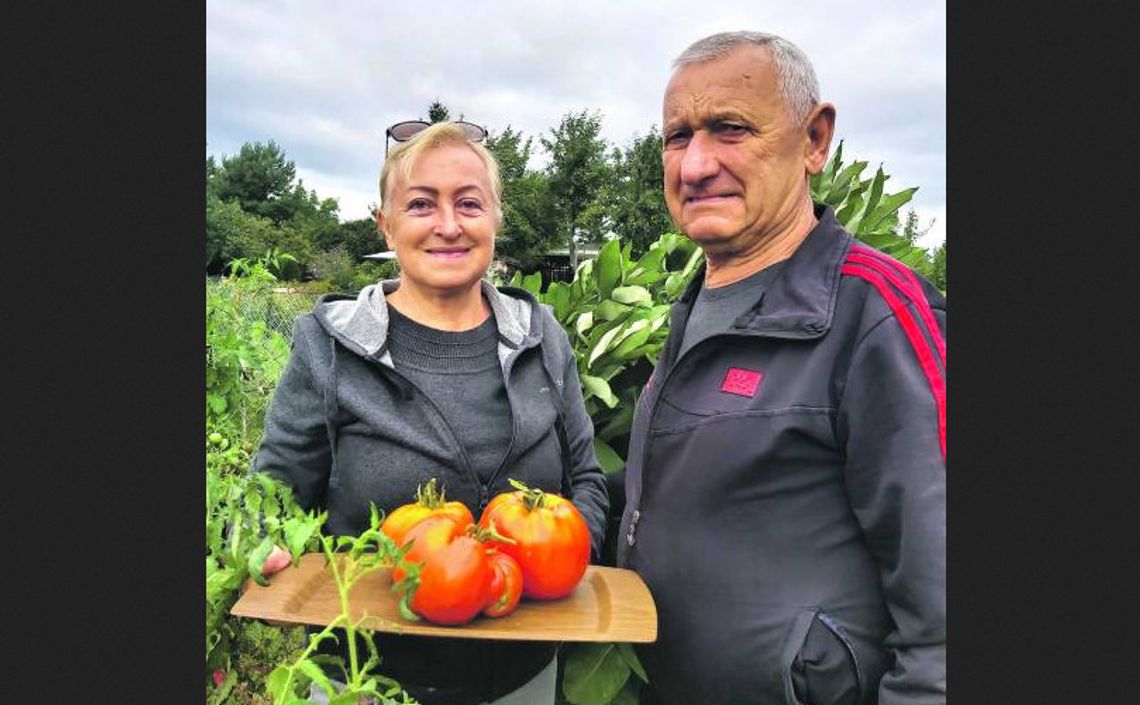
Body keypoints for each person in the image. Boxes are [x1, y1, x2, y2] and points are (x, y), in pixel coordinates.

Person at [614, 31, 946, 705]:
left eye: (730, 129)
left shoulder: (874, 314)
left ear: (815, 140)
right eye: (678, 137)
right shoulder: (696, 308)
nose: (696, 164)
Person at [253, 121, 609, 705]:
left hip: (522, 679)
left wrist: (559, 574)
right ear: (385, 223)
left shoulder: (542, 337)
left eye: (469, 203)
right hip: (364, 681)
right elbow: (275, 493)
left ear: (496, 218)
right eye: (421, 203)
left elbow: (586, 480)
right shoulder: (328, 347)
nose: (448, 225)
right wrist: (266, 543)